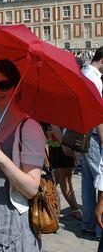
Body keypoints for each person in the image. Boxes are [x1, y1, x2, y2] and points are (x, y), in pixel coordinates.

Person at [0, 59, 46, 251]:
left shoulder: (29, 128)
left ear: (16, 87)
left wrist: (0, 157)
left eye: (3, 85)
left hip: (13, 223)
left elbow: (31, 188)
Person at [82, 46, 103, 237]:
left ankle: (88, 222)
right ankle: (98, 227)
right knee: (99, 180)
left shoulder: (85, 73)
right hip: (94, 136)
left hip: (85, 134)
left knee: (88, 180)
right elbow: (96, 111)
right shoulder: (94, 78)